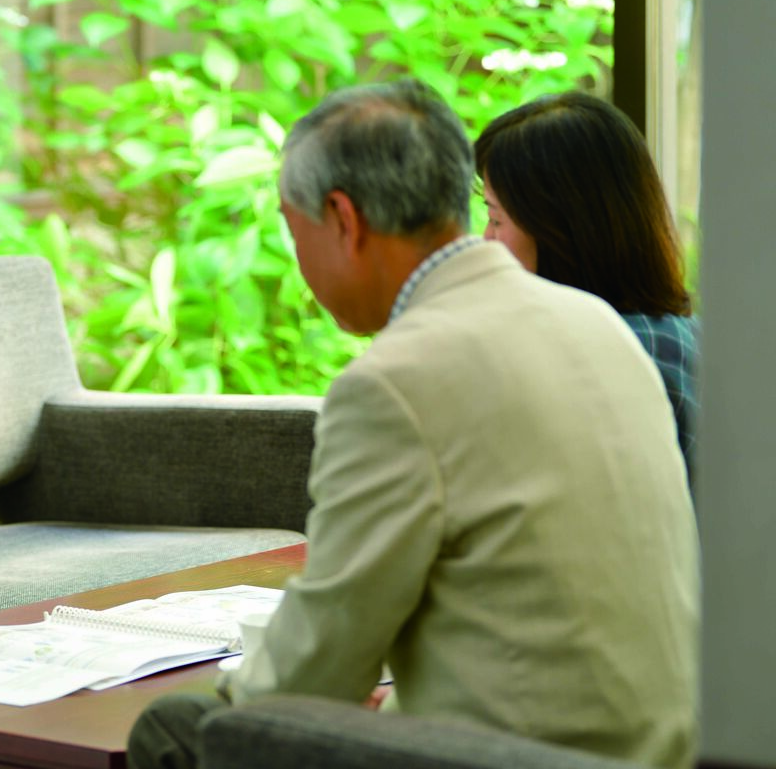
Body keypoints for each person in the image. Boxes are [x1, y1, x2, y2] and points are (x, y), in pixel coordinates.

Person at [127, 80, 699, 768]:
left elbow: (319, 663)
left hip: (521, 757)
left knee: (182, 727)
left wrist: (247, 689)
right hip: (672, 748)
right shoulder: (596, 323)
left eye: (292, 225)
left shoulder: (393, 382)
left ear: (342, 217)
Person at [475, 91, 699, 479]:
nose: (486, 241)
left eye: (496, 220)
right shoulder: (680, 337)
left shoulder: (604, 359)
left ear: (560, 232)